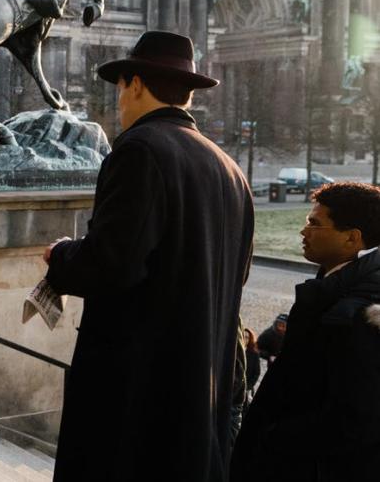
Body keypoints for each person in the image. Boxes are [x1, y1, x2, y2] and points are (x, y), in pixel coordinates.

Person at [41, 31, 253, 481]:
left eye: (120, 88)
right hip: (198, 397)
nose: (119, 101)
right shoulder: (229, 168)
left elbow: (112, 264)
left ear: (134, 85)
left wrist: (61, 257)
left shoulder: (139, 149)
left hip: (138, 401)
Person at [232, 182, 380, 481]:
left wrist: (274, 438)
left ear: (352, 238)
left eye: (315, 223)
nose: (303, 231)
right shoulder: (335, 286)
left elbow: (354, 418)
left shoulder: (357, 311)